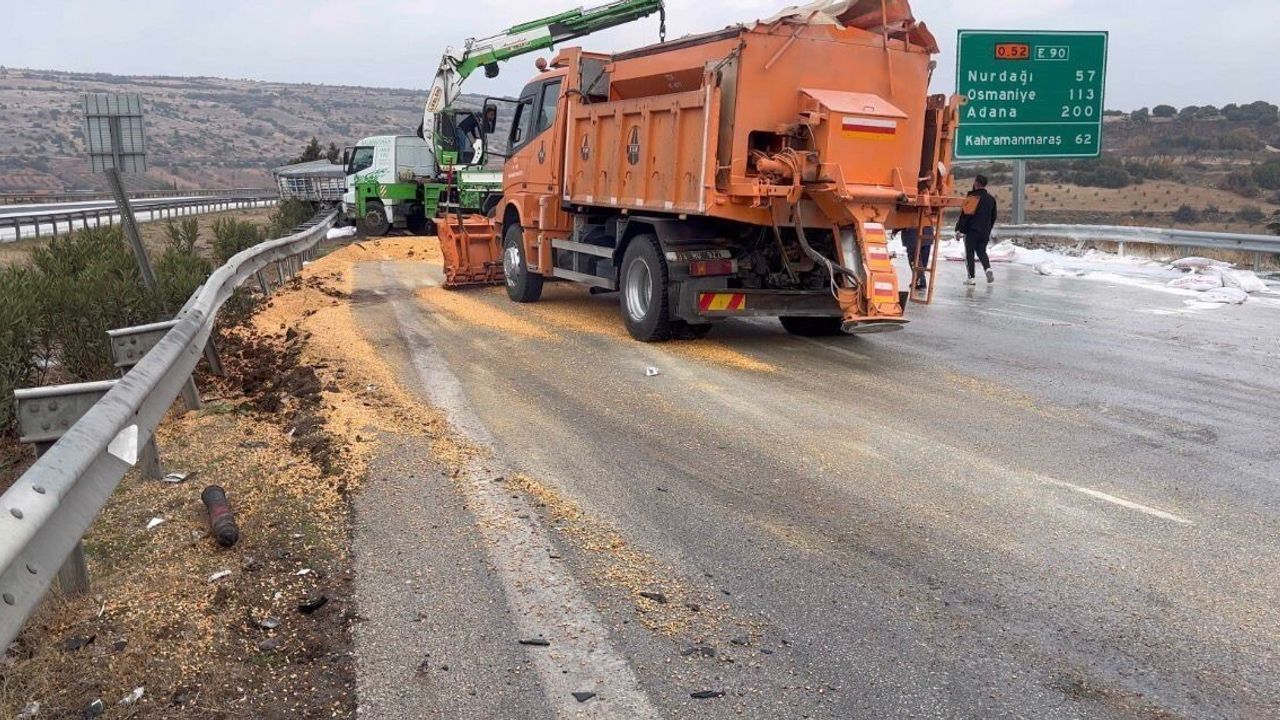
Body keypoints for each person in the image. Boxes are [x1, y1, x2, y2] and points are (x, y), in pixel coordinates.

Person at [955, 174, 998, 285]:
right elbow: (994, 216)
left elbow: (965, 216)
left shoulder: (972, 198)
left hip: (972, 230)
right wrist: (988, 228)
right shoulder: (991, 199)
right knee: (981, 251)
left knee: (969, 253)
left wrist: (959, 230)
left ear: (976, 183)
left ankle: (971, 277)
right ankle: (988, 269)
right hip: (985, 231)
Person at [899, 226, 935, 290]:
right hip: (927, 234)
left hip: (912, 234)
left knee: (914, 258)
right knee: (923, 258)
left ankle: (920, 280)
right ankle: (919, 279)